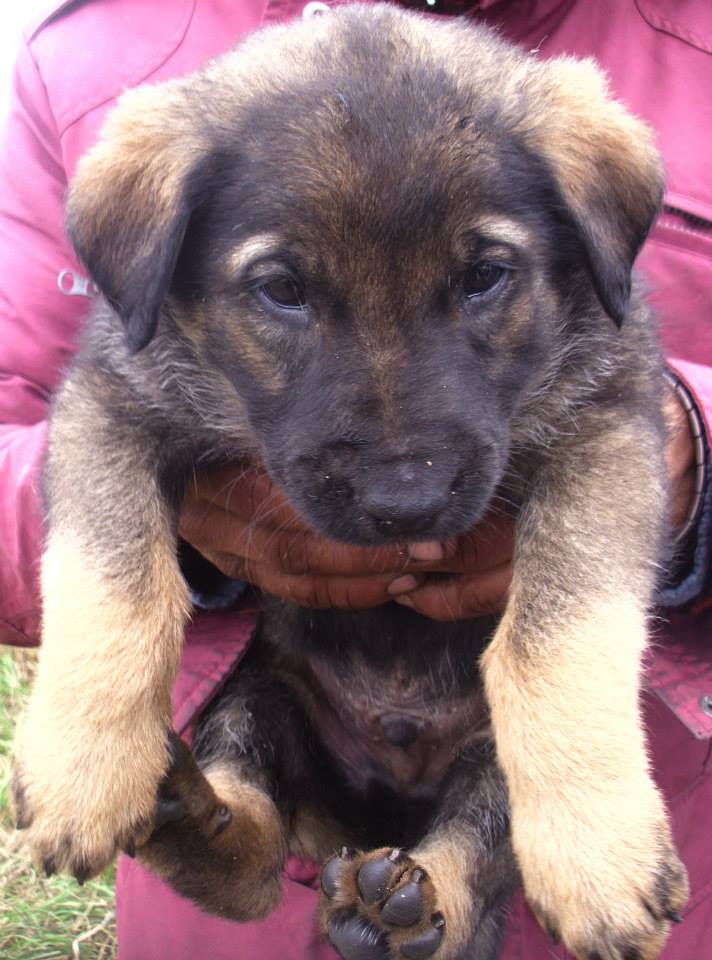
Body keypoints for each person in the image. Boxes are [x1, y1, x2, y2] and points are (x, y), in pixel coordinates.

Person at [1, 1, 711, 957]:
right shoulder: (102, 71)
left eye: (484, 277)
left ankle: (455, 890)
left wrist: (697, 457)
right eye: (283, 289)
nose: (403, 473)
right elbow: (97, 415)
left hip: (617, 824)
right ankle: (239, 836)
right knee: (255, 729)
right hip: (291, 695)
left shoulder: (590, 118)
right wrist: (111, 663)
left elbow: (608, 428)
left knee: (507, 769)